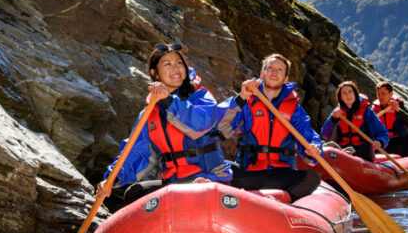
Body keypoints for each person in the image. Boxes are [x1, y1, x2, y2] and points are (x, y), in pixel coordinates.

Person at [103, 43, 232, 205]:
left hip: (209, 177)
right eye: (168, 64)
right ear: (154, 74)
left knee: (192, 192)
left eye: (179, 63)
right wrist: (112, 177)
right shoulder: (149, 114)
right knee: (135, 193)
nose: (176, 68)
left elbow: (199, 124)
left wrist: (169, 101)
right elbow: (136, 151)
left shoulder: (202, 97)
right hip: (174, 181)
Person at [219, 53, 323, 202]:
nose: (274, 72)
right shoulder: (247, 99)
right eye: (270, 68)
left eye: (280, 70)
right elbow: (220, 127)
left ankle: (282, 207)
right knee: (214, 167)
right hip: (247, 172)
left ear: (286, 78)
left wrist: (313, 149)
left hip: (280, 175)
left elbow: (308, 134)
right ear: (262, 73)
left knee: (312, 178)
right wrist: (241, 98)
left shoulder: (294, 108)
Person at [320, 81, 389, 162]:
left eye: (350, 92)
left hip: (362, 152)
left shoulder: (366, 111)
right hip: (343, 151)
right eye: (344, 93)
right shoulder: (337, 113)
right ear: (341, 97)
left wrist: (380, 141)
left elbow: (383, 133)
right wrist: (333, 120)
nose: (348, 95)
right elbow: (325, 135)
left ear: (355, 94)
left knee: (363, 149)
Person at [371, 81, 408, 157]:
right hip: (384, 142)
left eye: (383, 94)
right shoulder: (374, 109)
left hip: (399, 140)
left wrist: (398, 110)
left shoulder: (399, 105)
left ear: (391, 94)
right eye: (378, 94)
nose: (380, 97)